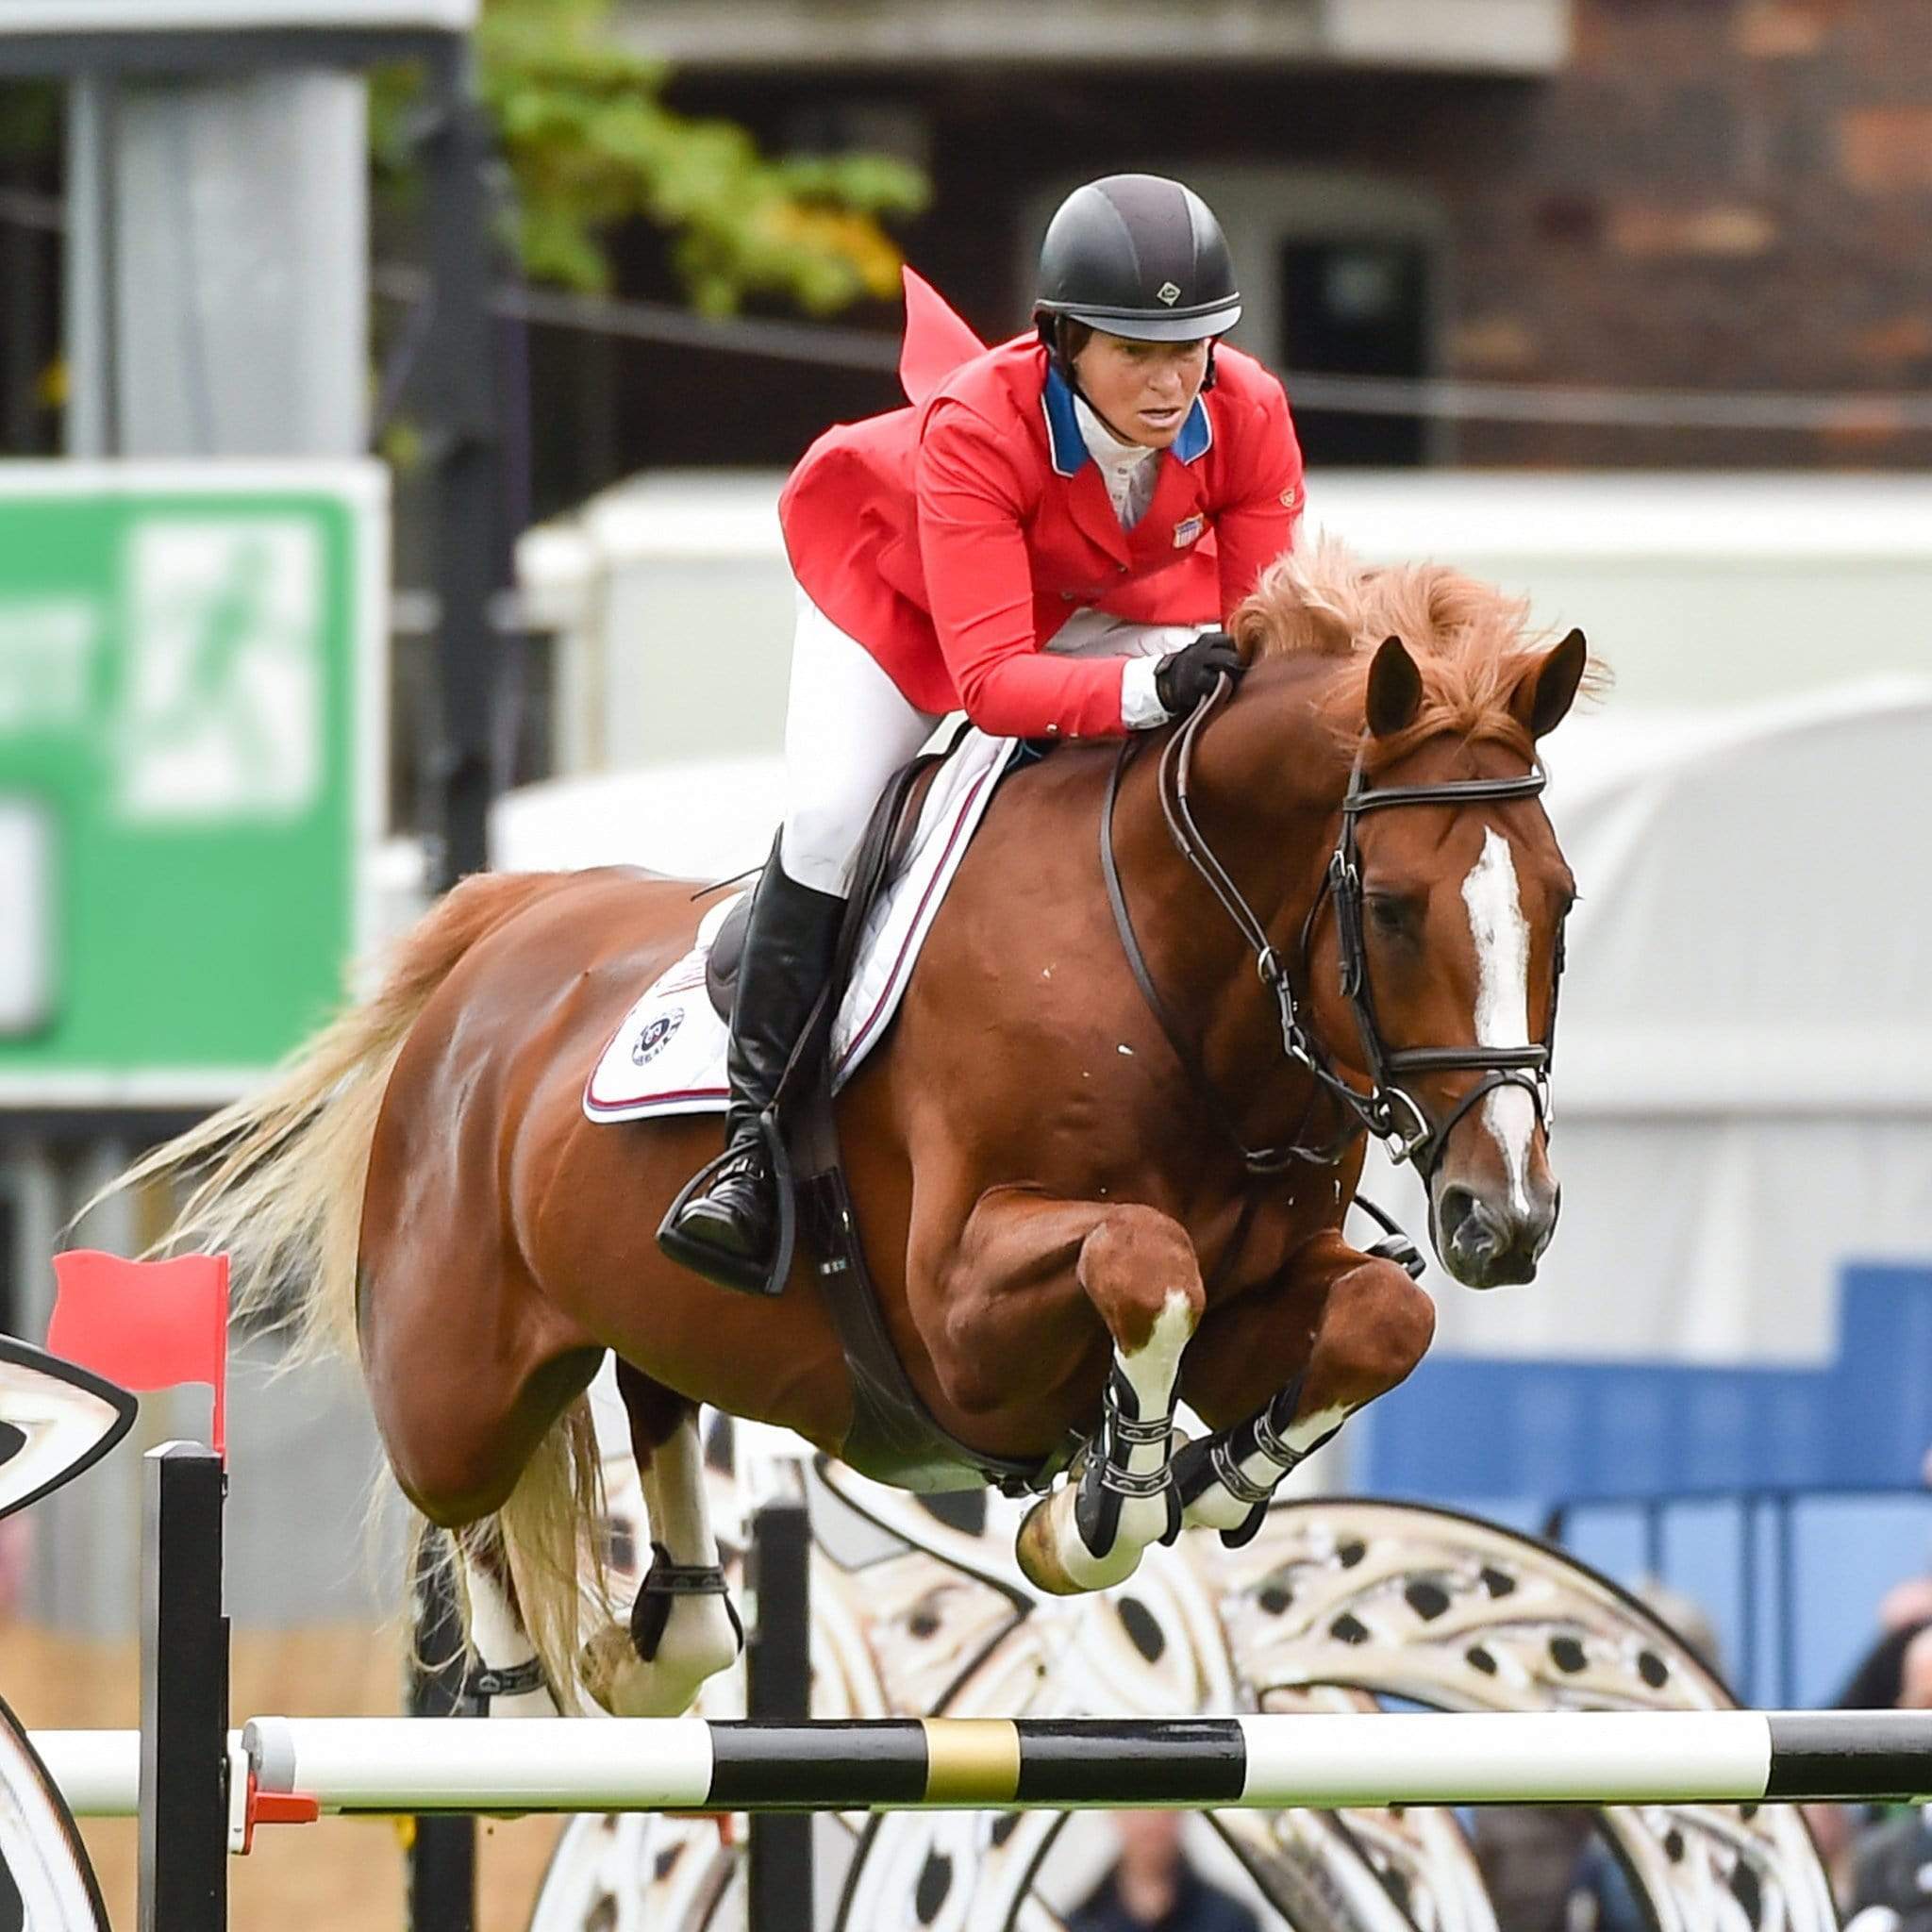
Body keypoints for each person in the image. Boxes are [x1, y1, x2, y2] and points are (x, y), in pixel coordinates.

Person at [659, 172, 1307, 1293]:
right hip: (903, 610)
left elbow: (1261, 635)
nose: (1169, 383)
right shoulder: (979, 423)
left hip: (1097, 612)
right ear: (1059, 340)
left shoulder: (1246, 410)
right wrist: (1151, 694)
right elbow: (993, 681)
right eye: (1134, 352)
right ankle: (748, 1147)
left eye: (1190, 348)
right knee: (829, 821)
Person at [1070, 1810, 1261, 1932]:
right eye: (1136, 1805)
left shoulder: (1233, 1919)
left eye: (1160, 1803)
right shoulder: (1078, 1920)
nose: (1148, 1821)